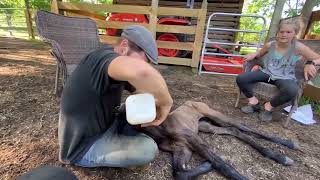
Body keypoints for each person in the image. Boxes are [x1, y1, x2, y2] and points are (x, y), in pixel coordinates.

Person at [58, 25, 173, 168]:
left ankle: (122, 138)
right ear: (124, 46)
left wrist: (154, 102)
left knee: (140, 107)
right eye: (142, 60)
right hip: (85, 145)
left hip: (108, 122)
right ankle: (122, 143)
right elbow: (144, 72)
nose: (144, 65)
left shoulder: (117, 67)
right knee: (147, 149)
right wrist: (167, 102)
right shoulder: (103, 59)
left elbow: (140, 91)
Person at [236, 19, 320, 122]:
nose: (284, 34)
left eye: (288, 32)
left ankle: (268, 107)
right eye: (282, 31)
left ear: (295, 33)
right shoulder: (270, 45)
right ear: (278, 32)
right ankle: (254, 103)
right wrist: (254, 54)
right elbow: (260, 53)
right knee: (241, 78)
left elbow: (317, 58)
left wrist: (310, 63)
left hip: (285, 76)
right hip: (267, 72)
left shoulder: (298, 47)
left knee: (292, 90)